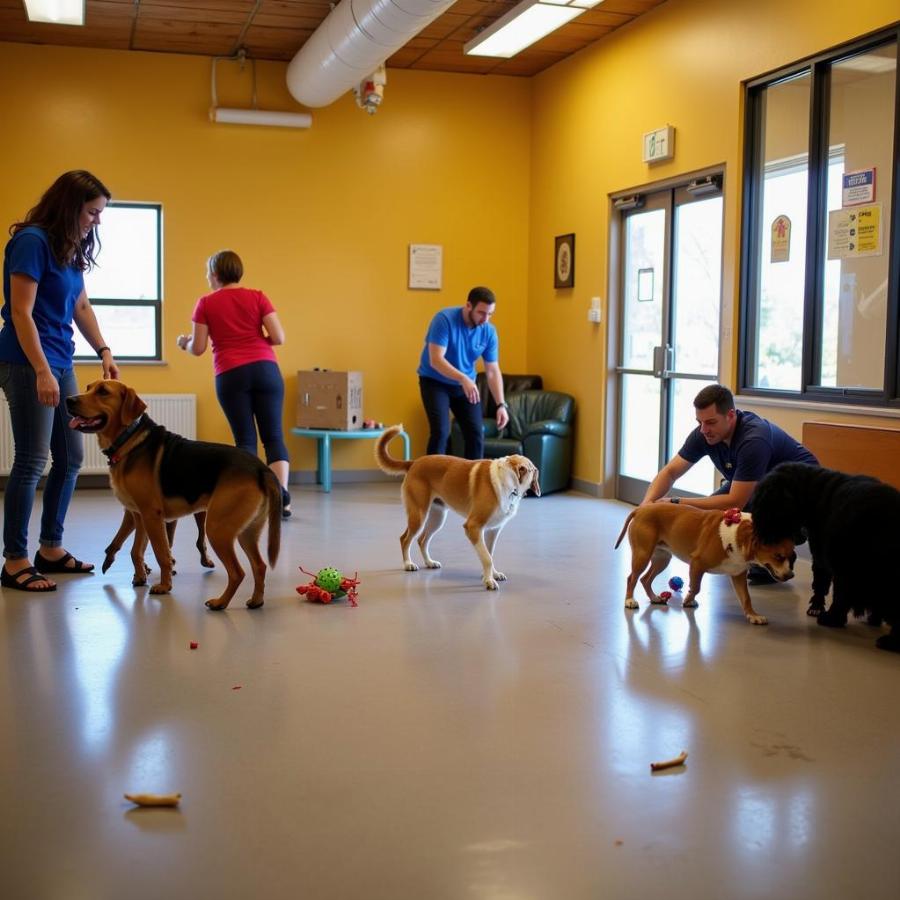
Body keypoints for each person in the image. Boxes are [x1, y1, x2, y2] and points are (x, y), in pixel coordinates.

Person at [0, 170, 119, 592]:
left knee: (69, 458)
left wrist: (103, 349)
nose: (97, 221)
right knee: (32, 460)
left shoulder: (68, 247)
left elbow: (80, 304)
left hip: (61, 360)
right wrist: (41, 370)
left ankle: (50, 548)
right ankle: (14, 560)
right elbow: (20, 312)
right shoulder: (32, 242)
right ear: (70, 206)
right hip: (26, 361)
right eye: (92, 212)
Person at [641, 383, 819, 582]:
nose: (704, 430)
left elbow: (734, 502)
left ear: (731, 416)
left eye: (710, 422)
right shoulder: (704, 433)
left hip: (801, 492)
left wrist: (674, 502)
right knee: (708, 519)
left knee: (735, 512)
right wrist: (646, 506)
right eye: (699, 422)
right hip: (761, 484)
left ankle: (769, 558)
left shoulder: (753, 439)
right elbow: (670, 471)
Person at [176, 250, 292, 517]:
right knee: (273, 436)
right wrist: (258, 340)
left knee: (245, 440)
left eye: (208, 274)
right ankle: (281, 498)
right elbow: (278, 337)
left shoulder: (205, 303)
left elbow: (199, 348)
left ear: (215, 275)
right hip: (266, 369)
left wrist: (185, 343)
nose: (207, 278)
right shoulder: (258, 296)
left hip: (231, 373)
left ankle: (249, 500)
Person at [417, 286, 509, 459]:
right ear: (468, 306)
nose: (485, 319)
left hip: (464, 385)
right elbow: (436, 360)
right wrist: (463, 378)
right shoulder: (444, 319)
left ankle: (472, 483)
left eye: (490, 314)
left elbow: (492, 371)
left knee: (476, 433)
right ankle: (430, 481)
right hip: (435, 381)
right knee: (441, 432)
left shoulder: (488, 332)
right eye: (481, 313)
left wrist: (501, 405)